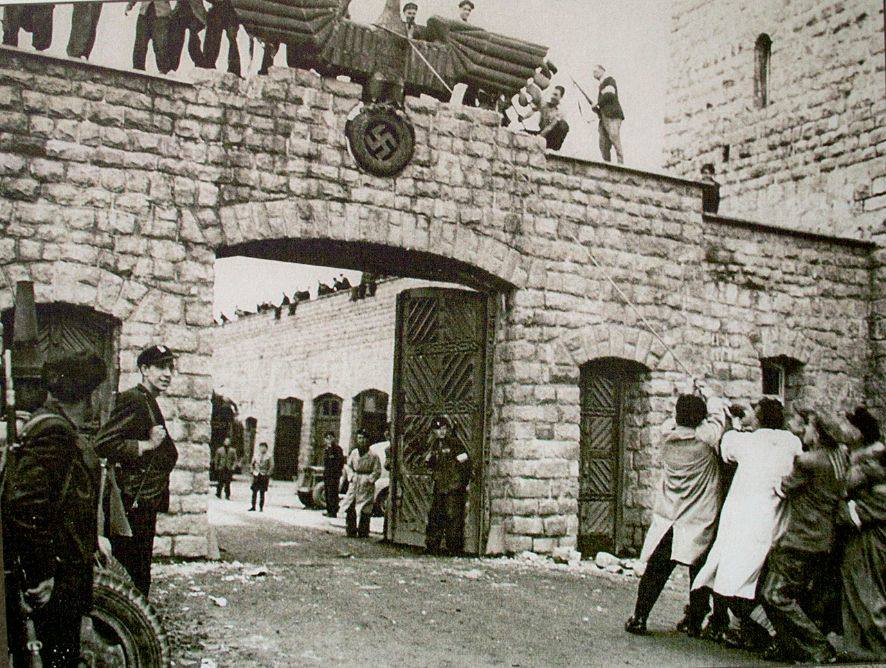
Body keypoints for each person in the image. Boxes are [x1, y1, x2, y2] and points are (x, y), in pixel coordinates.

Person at [2, 351, 107, 667]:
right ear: (86, 397)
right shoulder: (55, 432)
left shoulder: (48, 425)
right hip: (56, 582)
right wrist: (42, 574)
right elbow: (24, 506)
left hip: (62, 574)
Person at [691, 397, 802, 650]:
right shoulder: (791, 442)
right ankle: (759, 633)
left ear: (760, 419)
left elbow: (725, 444)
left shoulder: (748, 442)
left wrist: (732, 419)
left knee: (730, 588)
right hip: (775, 523)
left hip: (745, 527)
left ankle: (777, 634)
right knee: (754, 584)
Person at [625, 392, 727, 636]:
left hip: (670, 515)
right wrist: (709, 395)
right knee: (699, 570)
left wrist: (693, 397)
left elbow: (674, 421)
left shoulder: (667, 435)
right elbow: (718, 420)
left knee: (657, 568)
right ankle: (694, 621)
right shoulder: (705, 440)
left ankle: (640, 616)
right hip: (698, 516)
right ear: (700, 419)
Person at [760, 412, 850, 664]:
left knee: (774, 595)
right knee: (798, 596)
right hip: (824, 539)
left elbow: (783, 488)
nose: (805, 431)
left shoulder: (808, 461)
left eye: (809, 427)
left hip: (801, 538)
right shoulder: (839, 457)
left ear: (818, 433)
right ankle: (790, 646)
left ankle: (818, 647)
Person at [94, 344, 179, 597]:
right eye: (161, 367)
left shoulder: (147, 401)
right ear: (144, 369)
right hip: (132, 504)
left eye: (170, 368)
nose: (167, 374)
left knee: (138, 573)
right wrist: (146, 445)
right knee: (134, 574)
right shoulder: (135, 399)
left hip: (142, 502)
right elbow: (104, 442)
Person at [839, 406, 886, 661]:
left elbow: (846, 484)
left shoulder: (871, 458)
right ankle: (859, 646)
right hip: (863, 526)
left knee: (867, 586)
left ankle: (876, 646)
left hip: (871, 529)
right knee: (859, 584)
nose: (843, 431)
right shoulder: (864, 453)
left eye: (848, 426)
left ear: (858, 432)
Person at [424, 415, 471, 556]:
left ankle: (454, 548)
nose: (441, 432)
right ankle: (433, 546)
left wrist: (461, 483)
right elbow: (431, 463)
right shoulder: (435, 445)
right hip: (440, 487)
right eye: (438, 429)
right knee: (436, 516)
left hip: (453, 488)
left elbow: (466, 463)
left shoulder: (454, 444)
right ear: (433, 431)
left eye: (444, 428)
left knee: (453, 518)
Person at [340, 429, 381, 538]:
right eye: (359, 438)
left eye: (364, 438)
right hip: (355, 481)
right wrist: (351, 476)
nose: (361, 441)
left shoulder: (373, 455)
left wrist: (369, 479)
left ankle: (363, 531)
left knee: (365, 508)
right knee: (350, 505)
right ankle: (351, 530)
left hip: (365, 483)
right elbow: (348, 466)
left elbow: (377, 471)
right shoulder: (354, 453)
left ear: (368, 440)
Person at [127, 0, 173, 74]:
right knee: (140, 44)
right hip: (144, 14)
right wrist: (130, 5)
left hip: (161, 17)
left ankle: (164, 72)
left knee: (160, 46)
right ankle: (138, 71)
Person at [592, 64, 625, 164]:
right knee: (603, 142)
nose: (594, 74)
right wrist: (597, 108)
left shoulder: (609, 80)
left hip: (613, 116)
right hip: (604, 117)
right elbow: (604, 102)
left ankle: (620, 163)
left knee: (614, 137)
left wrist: (597, 104)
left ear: (602, 70)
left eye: (596, 71)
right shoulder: (602, 85)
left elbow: (609, 94)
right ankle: (607, 164)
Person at [201, 0, 241, 77]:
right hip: (222, 9)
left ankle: (234, 69)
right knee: (229, 38)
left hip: (229, 9)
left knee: (232, 39)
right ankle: (209, 65)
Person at [166, 0, 207, 71]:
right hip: (180, 15)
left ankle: (202, 67)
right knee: (175, 43)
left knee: (193, 45)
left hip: (196, 16)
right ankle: (171, 69)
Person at [537, 85, 569, 150]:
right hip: (541, 132)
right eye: (552, 94)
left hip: (550, 137)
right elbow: (534, 108)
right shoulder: (545, 104)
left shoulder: (561, 111)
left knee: (563, 124)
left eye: (555, 95)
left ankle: (552, 149)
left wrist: (538, 137)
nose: (552, 97)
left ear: (561, 97)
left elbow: (551, 126)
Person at [322, 431, 345, 517]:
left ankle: (333, 511)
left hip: (334, 475)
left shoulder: (337, 449)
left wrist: (336, 472)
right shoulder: (326, 449)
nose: (329, 440)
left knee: (333, 493)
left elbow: (340, 462)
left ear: (334, 438)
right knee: (327, 492)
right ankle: (328, 510)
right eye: (327, 438)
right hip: (327, 474)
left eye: (330, 438)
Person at [250, 442, 273, 512]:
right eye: (261, 447)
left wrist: (268, 474)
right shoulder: (256, 455)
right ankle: (253, 506)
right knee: (254, 491)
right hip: (256, 474)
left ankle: (261, 507)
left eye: (263, 447)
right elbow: (252, 464)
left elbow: (271, 466)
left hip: (264, 475)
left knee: (262, 492)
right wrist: (252, 471)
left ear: (266, 448)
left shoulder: (269, 456)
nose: (262, 449)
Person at [213, 435, 237, 500]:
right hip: (221, 467)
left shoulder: (232, 450)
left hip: (228, 468)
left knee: (228, 482)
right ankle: (218, 493)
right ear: (224, 442)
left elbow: (235, 460)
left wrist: (233, 467)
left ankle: (227, 495)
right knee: (220, 481)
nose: (227, 442)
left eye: (228, 441)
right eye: (226, 441)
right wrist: (216, 467)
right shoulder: (219, 450)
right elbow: (216, 459)